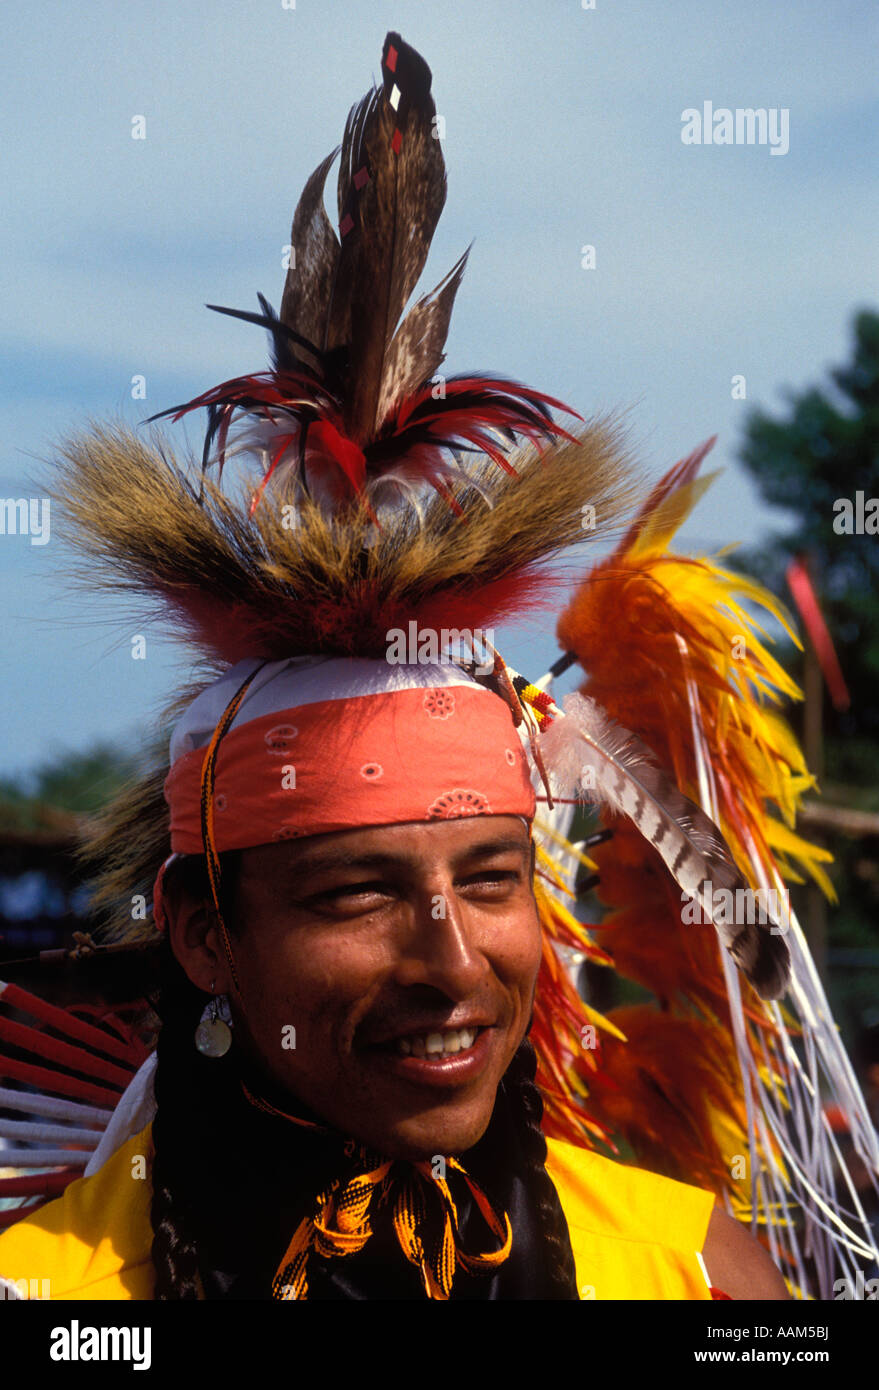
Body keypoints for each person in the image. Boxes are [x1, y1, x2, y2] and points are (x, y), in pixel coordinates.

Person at [0, 31, 794, 1300]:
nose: (453, 958)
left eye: (491, 879)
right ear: (205, 935)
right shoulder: (52, 1292)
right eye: (358, 894)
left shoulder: (691, 1269)